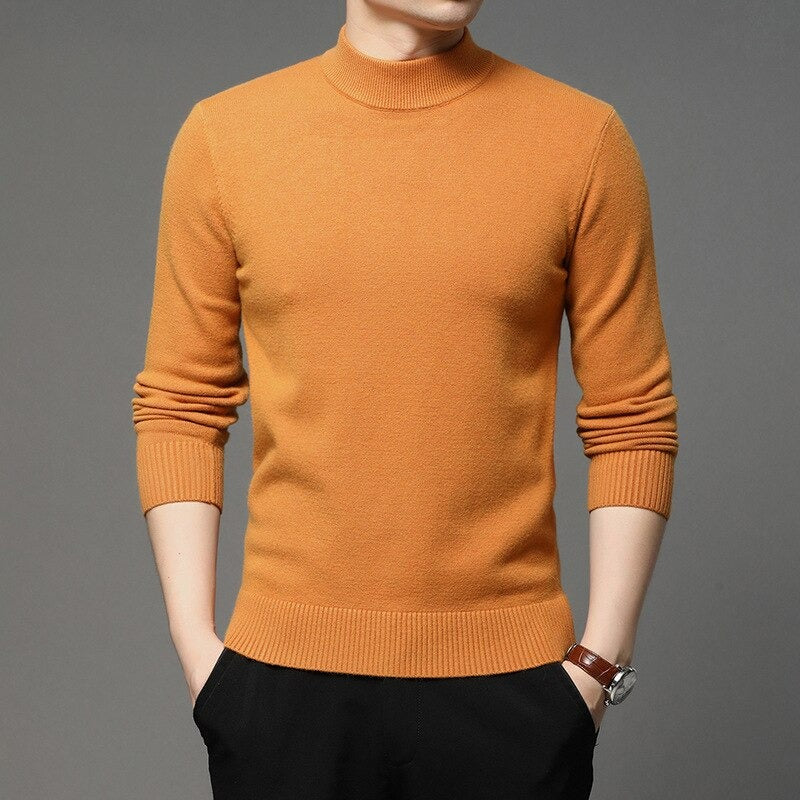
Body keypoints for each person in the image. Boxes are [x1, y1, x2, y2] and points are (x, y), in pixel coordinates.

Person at [131, 1, 679, 797]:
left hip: (516, 689)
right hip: (281, 687)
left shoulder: (581, 138)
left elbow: (632, 414)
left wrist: (598, 663)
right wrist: (197, 653)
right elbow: (182, 403)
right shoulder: (225, 138)